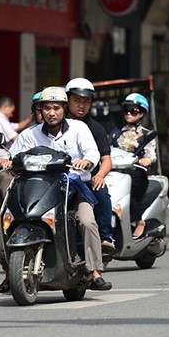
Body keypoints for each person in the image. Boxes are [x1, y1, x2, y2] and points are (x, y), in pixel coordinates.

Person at [0, 86, 112, 291]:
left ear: (64, 109)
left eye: (56, 108)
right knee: (10, 216)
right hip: (41, 188)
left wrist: (86, 162)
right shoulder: (30, 134)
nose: (51, 112)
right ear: (41, 110)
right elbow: (14, 154)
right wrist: (6, 161)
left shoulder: (79, 128)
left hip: (74, 187)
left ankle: (95, 272)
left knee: (86, 221)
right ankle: (9, 272)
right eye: (47, 108)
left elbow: (92, 152)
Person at [65, 77, 114, 254]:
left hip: (86, 180)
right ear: (67, 100)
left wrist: (99, 175)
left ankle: (106, 237)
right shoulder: (56, 125)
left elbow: (106, 159)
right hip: (59, 179)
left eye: (86, 101)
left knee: (101, 192)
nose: (81, 105)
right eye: (77, 100)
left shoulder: (96, 128)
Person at [109, 93, 157, 239]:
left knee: (127, 193)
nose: (129, 114)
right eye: (126, 110)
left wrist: (146, 160)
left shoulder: (146, 134)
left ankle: (139, 221)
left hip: (136, 173)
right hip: (116, 172)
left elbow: (151, 155)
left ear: (141, 113)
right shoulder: (115, 134)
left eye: (134, 111)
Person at [0, 97, 33, 240]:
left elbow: (17, 126)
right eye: (11, 111)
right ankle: (10, 230)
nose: (11, 114)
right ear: (5, 107)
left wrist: (31, 118)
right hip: (3, 165)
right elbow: (15, 137)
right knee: (9, 199)